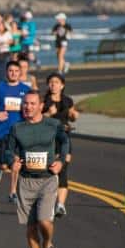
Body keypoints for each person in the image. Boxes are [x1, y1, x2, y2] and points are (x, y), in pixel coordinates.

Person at [8, 90, 70, 248]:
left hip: (48, 180)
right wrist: (13, 159)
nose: (28, 107)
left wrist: (61, 162)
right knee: (31, 226)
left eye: (32, 103)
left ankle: (48, 244)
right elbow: (8, 150)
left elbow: (65, 141)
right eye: (25, 103)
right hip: (26, 181)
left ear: (41, 106)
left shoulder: (53, 125)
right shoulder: (17, 128)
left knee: (44, 220)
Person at [0, 58, 31, 193]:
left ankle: (13, 192)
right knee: (5, 165)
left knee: (16, 162)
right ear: (6, 72)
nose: (13, 73)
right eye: (11, 71)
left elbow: (33, 106)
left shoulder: (26, 89)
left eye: (16, 71)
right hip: (2, 131)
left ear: (20, 73)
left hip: (20, 131)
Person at [40, 73, 78, 217]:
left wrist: (74, 115)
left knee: (63, 170)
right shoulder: (44, 101)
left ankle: (60, 205)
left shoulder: (68, 101)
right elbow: (35, 118)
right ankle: (45, 200)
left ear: (62, 85)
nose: (53, 84)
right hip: (48, 140)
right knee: (49, 172)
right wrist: (48, 114)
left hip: (64, 139)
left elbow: (72, 117)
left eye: (56, 82)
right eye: (51, 82)